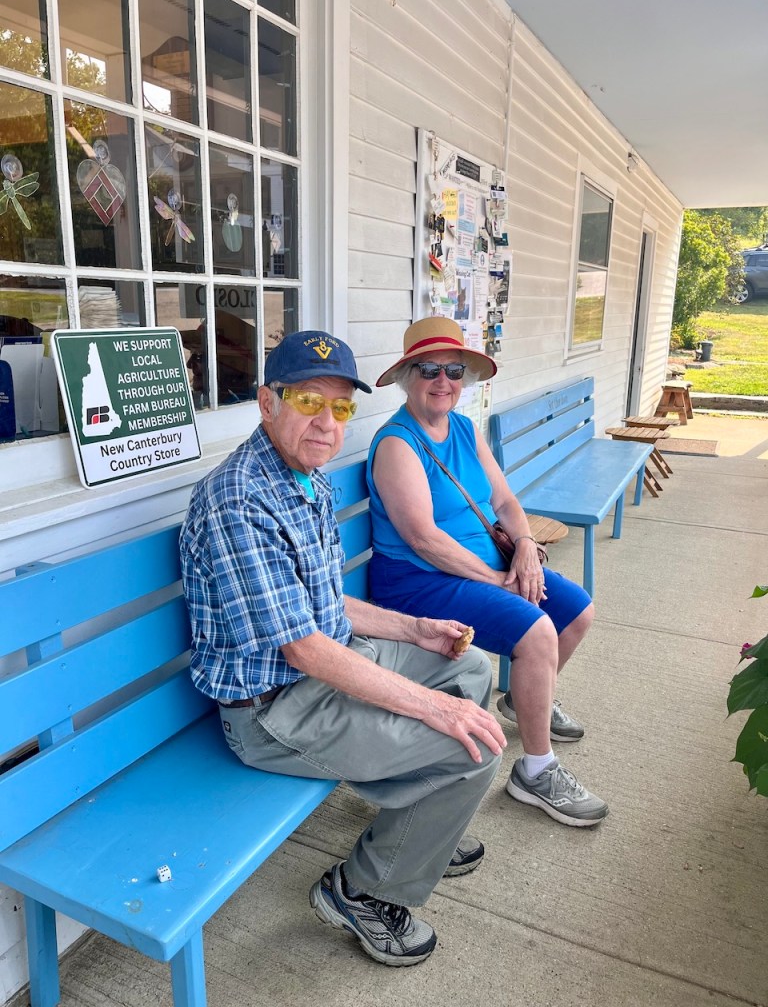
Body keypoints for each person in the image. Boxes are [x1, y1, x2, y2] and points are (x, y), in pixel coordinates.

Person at [179, 329, 505, 968]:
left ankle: (418, 829)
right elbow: (302, 648)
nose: (328, 425)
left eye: (342, 408)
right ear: (267, 402)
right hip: (275, 711)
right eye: (309, 403)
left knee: (466, 665)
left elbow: (323, 603)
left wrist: (414, 630)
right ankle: (360, 891)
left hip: (325, 667)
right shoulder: (239, 499)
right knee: (469, 745)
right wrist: (431, 711)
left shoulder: (305, 477)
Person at [366, 318, 608, 828]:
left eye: (454, 370)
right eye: (428, 369)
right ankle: (536, 772)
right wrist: (498, 582)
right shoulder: (397, 445)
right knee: (538, 629)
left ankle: (525, 703)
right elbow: (423, 539)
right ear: (409, 376)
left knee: (576, 612)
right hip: (417, 579)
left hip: (483, 563)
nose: (443, 380)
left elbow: (503, 499)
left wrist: (523, 545)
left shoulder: (464, 428)